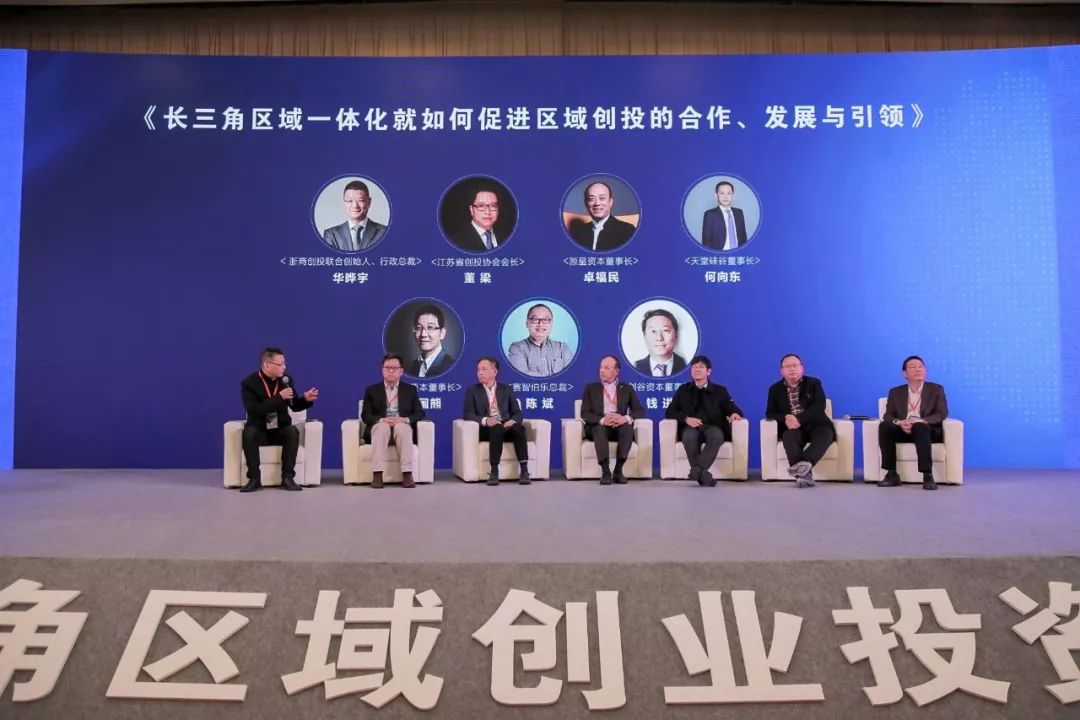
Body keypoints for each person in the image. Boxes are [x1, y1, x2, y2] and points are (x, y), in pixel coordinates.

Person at [239, 347, 319, 492]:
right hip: (259, 430)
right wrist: (279, 397)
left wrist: (306, 400)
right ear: (267, 365)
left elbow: (294, 405)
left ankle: (287, 478)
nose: (284, 367)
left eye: (284, 363)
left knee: (292, 431)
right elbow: (254, 410)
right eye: (280, 364)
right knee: (249, 433)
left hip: (279, 430)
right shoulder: (249, 383)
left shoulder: (285, 380)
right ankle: (254, 479)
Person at [665, 355, 743, 486]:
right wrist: (686, 419)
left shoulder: (720, 390)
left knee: (716, 436)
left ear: (708, 371)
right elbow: (669, 411)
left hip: (712, 426)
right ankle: (703, 475)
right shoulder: (683, 390)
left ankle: (696, 471)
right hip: (690, 427)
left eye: (701, 366)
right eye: (694, 367)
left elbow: (731, 408)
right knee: (689, 437)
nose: (696, 369)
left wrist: (735, 413)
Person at [764, 354, 836, 488]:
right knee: (788, 436)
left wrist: (799, 418)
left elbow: (819, 406)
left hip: (816, 424)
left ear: (802, 368)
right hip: (792, 427)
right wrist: (786, 418)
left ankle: (803, 465)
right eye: (787, 366)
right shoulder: (775, 389)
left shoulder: (814, 383)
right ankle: (805, 476)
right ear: (781, 371)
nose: (792, 369)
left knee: (826, 433)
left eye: (795, 365)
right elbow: (770, 413)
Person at [878, 355, 949, 491]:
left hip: (926, 430)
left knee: (919, 426)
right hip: (903, 429)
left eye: (921, 366)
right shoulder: (896, 392)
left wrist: (921, 420)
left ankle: (927, 475)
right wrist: (899, 422)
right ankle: (891, 474)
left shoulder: (936, 389)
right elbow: (888, 415)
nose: (918, 369)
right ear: (904, 374)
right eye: (913, 367)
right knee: (884, 426)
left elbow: (941, 413)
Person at [462, 356, 530, 486]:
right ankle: (494, 471)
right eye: (478, 370)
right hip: (487, 429)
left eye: (484, 369)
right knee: (496, 429)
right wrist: (485, 420)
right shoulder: (473, 391)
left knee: (519, 429)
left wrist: (512, 421)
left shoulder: (506, 389)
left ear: (494, 372)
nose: (480, 373)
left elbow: (517, 412)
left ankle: (524, 471)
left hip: (506, 425)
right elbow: (467, 414)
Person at [361, 353, 425, 489]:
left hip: (401, 431)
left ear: (401, 371)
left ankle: (407, 474)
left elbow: (420, 412)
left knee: (402, 427)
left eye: (394, 368)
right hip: (380, 430)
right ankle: (377, 474)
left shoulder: (410, 390)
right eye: (387, 367)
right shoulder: (372, 390)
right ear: (382, 370)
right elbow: (366, 415)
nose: (390, 371)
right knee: (382, 427)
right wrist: (382, 420)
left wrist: (405, 419)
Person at [580, 354, 645, 484]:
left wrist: (625, 418)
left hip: (618, 426)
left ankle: (618, 470)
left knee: (627, 430)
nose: (602, 371)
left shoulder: (627, 389)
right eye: (601, 367)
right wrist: (602, 420)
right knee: (599, 429)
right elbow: (584, 413)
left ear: (616, 371)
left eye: (606, 368)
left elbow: (639, 410)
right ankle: (605, 472)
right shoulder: (591, 388)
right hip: (599, 426)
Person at [507, 303, 574, 377]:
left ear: (551, 324)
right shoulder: (517, 348)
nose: (540, 324)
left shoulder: (563, 348)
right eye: (535, 319)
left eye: (545, 319)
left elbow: (570, 376)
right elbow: (521, 376)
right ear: (527, 323)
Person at [568, 181, 637, 252]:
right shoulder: (578, 232)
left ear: (610, 202)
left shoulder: (626, 230)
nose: (597, 203)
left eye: (602, 198)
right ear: (586, 203)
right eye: (591, 199)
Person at [322, 180, 387, 252]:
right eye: (350, 201)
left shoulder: (384, 232)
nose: (355, 206)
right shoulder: (332, 234)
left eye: (360, 200)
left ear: (369, 202)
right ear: (344, 203)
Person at [405, 304, 455, 378]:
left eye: (430, 327)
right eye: (418, 328)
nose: (423, 334)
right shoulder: (414, 366)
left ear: (442, 333)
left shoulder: (451, 366)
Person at [633, 308, 686, 377]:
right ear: (644, 336)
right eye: (653, 331)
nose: (659, 338)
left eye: (665, 330)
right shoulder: (635, 367)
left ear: (676, 334)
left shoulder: (687, 364)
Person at [451, 185, 505, 252]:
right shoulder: (457, 241)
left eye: (493, 206)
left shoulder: (504, 236)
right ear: (471, 209)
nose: (488, 212)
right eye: (481, 206)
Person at [701, 181, 748, 251]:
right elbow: (706, 241)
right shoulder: (710, 215)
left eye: (729, 193)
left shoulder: (739, 213)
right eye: (722, 193)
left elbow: (743, 237)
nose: (725, 196)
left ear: (733, 196)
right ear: (716, 196)